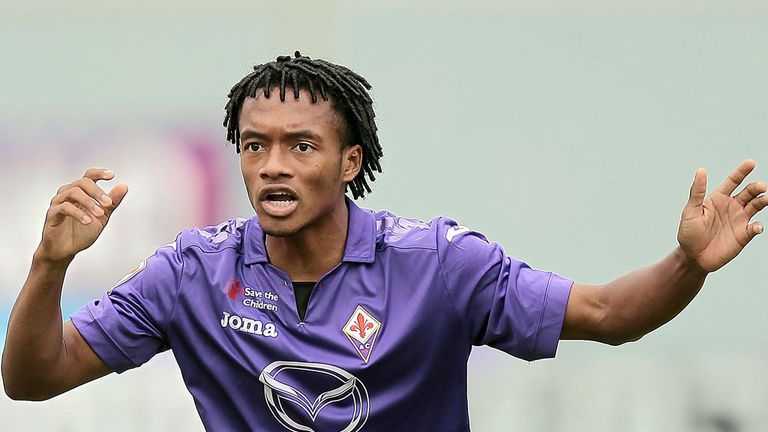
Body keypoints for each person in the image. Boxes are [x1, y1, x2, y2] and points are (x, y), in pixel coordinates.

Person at [2, 51, 766, 431]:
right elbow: (34, 379)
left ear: (350, 160)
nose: (272, 166)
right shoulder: (190, 274)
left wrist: (687, 265)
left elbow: (606, 313)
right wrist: (50, 263)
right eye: (253, 144)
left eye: (300, 146)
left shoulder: (438, 264)